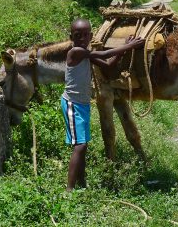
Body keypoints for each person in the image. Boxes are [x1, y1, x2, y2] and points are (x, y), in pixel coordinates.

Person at [62, 18, 145, 191]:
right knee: (80, 145)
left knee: (82, 145)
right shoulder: (75, 52)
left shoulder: (86, 53)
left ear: (91, 36)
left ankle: (81, 184)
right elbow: (104, 55)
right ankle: (69, 190)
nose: (82, 39)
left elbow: (108, 64)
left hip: (82, 105)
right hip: (72, 104)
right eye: (78, 36)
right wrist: (129, 46)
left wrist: (122, 52)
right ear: (72, 37)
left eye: (86, 35)